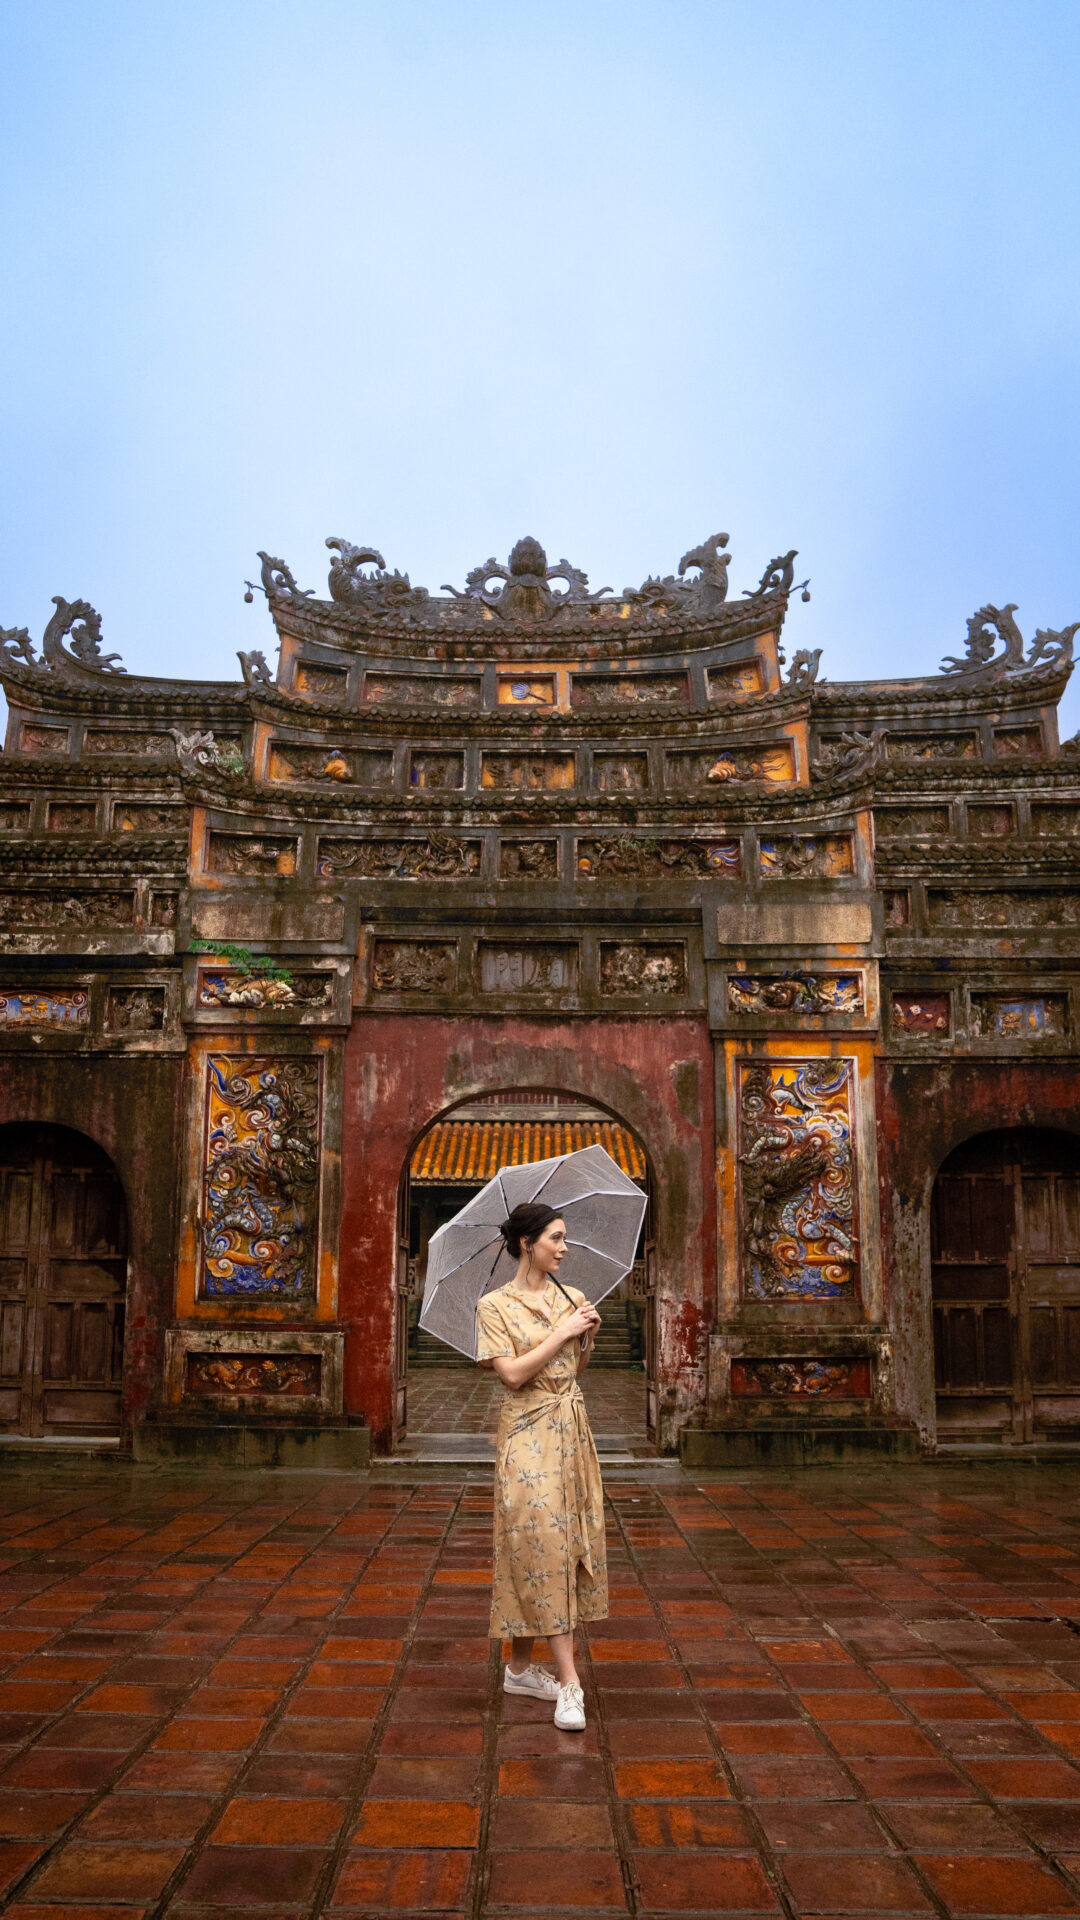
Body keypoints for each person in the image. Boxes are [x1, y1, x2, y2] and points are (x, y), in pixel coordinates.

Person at [475, 1201, 607, 1732]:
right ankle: (570, 1681)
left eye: (565, 1237)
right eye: (555, 1238)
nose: (564, 1247)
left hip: (571, 1431)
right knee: (541, 1542)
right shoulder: (494, 1306)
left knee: (555, 1544)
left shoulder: (570, 1296)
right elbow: (511, 1375)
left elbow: (573, 1370)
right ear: (527, 1243)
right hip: (526, 1435)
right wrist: (561, 1332)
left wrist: (586, 1336)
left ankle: (520, 1670)